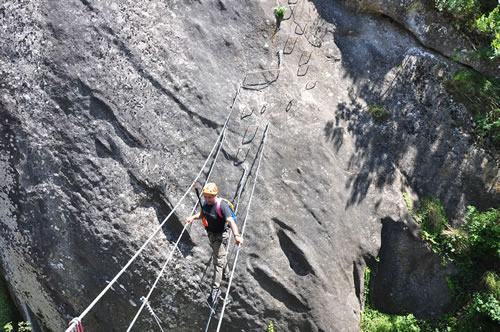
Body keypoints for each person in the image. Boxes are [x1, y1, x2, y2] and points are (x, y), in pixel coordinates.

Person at [184, 182, 244, 306]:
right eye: (205, 196)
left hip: (221, 236)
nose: (207, 199)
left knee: (217, 262)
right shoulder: (206, 203)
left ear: (215, 195)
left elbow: (231, 222)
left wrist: (237, 236)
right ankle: (226, 274)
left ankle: (214, 291)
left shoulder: (222, 206)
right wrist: (192, 218)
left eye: (210, 197)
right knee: (220, 257)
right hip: (211, 234)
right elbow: (202, 214)